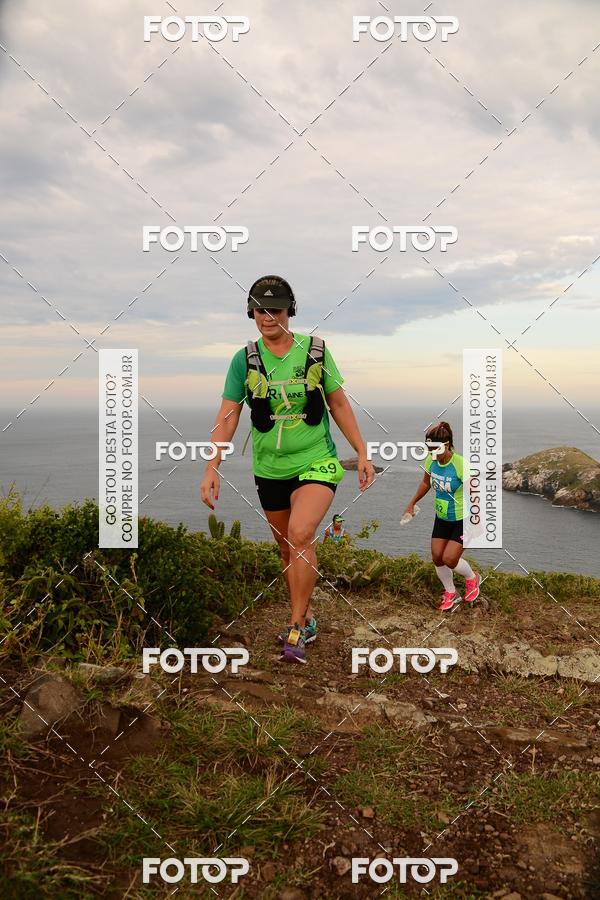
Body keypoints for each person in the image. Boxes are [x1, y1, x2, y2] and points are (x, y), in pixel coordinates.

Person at [200, 275, 375, 663]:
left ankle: (296, 627)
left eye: (276, 309)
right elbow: (228, 414)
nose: (268, 316)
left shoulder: (314, 351)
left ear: (289, 311)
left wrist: (361, 451)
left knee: (300, 532)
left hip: (317, 460)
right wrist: (213, 464)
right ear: (251, 312)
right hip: (269, 468)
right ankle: (308, 615)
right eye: (260, 309)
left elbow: (339, 405)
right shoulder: (243, 360)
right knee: (286, 548)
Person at [403, 421, 480, 611]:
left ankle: (472, 578)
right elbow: (425, 483)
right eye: (429, 449)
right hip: (442, 517)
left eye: (435, 449)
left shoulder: (461, 465)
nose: (432, 453)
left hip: (463, 519)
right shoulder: (431, 461)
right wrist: (412, 502)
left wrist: (478, 519)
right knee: (437, 557)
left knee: (450, 559)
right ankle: (451, 593)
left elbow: (474, 493)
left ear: (446, 445)